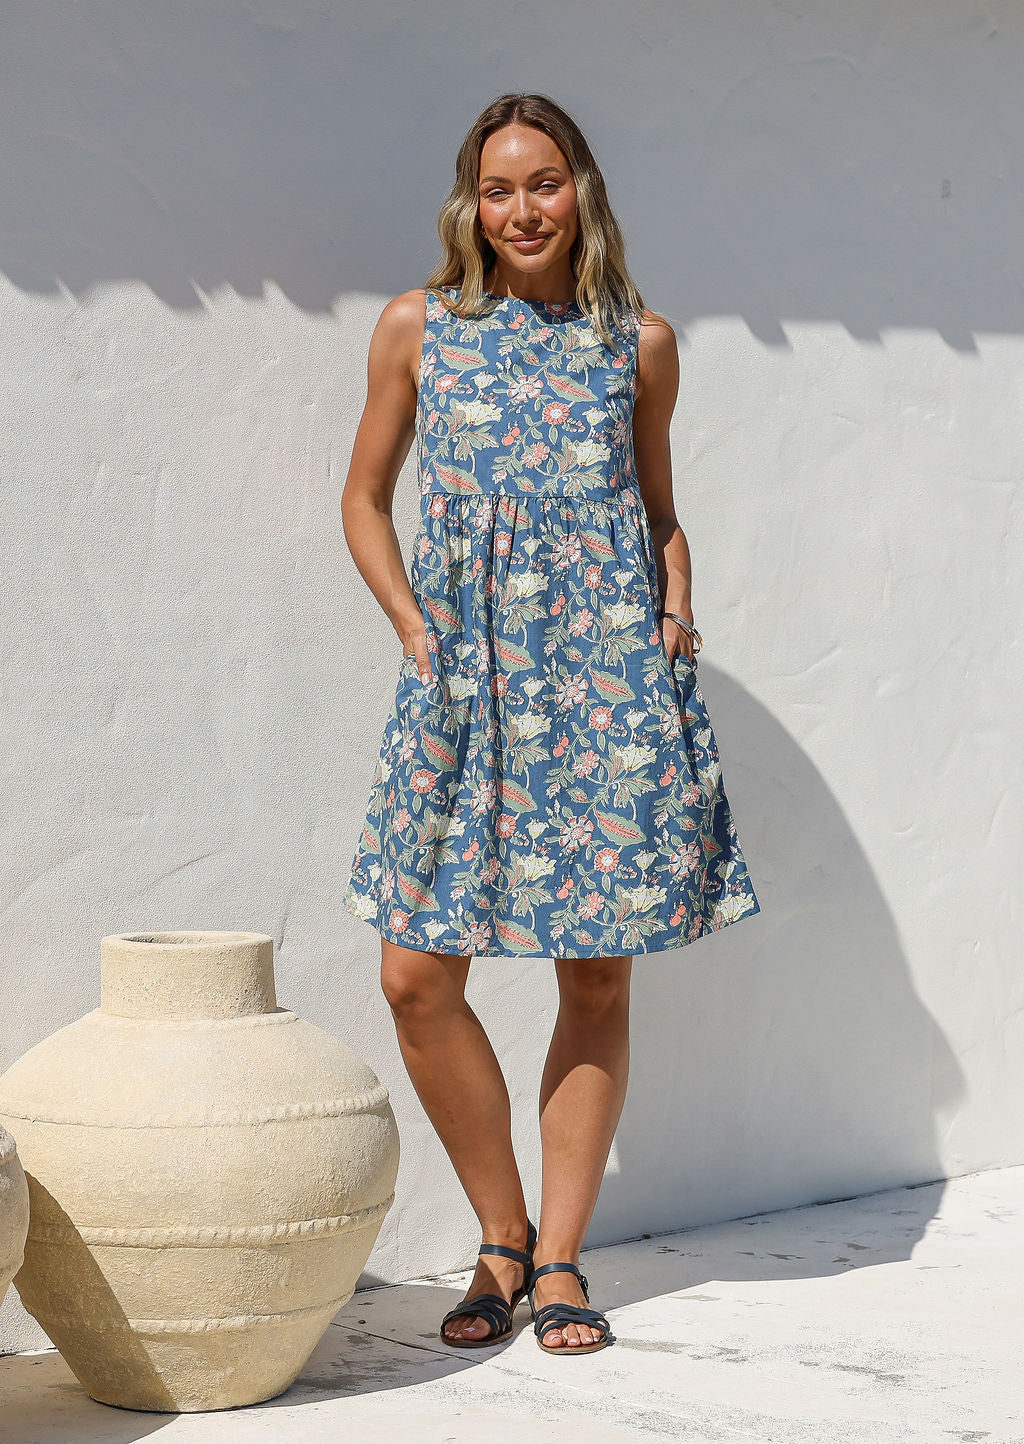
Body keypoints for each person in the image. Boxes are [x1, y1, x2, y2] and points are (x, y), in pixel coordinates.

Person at [340, 93, 761, 1354]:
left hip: (605, 689)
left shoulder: (638, 343)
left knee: (594, 971)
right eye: (496, 188)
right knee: (415, 972)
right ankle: (500, 1236)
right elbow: (363, 499)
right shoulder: (420, 329)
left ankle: (562, 1261)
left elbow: (660, 509)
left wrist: (675, 604)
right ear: (470, 205)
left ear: (581, 187)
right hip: (462, 683)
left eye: (542, 182)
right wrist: (417, 632)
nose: (519, 209)